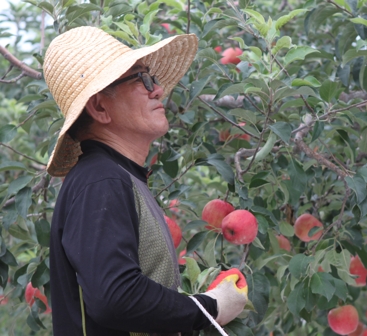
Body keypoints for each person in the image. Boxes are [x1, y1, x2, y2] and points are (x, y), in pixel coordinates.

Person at [44, 26, 247, 335]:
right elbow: (117, 297)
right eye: (141, 79)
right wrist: (208, 308)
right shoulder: (102, 180)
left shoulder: (116, 177)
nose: (158, 89)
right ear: (99, 107)